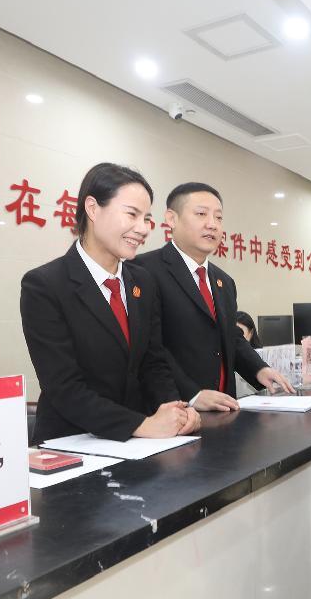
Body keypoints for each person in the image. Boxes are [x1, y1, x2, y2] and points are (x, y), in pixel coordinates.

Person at [20, 163, 200, 444]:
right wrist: (140, 424)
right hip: (73, 444)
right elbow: (64, 387)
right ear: (93, 209)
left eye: (147, 218)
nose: (143, 229)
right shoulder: (45, 285)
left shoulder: (143, 281)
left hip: (140, 443)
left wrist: (176, 412)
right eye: (132, 214)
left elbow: (153, 364)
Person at [136, 183, 293, 411]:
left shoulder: (224, 281)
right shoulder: (143, 271)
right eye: (201, 214)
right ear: (172, 219)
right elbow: (149, 347)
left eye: (218, 217)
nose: (212, 224)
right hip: (172, 410)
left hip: (223, 410)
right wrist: (192, 395)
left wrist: (259, 369)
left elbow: (231, 336)